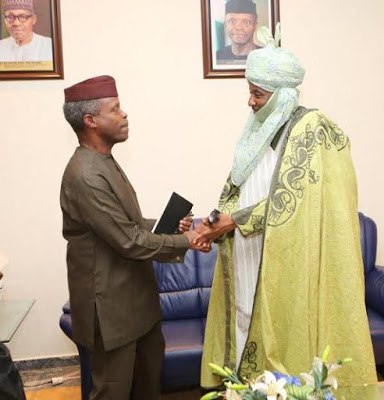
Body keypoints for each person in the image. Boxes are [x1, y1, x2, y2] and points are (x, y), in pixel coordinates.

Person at [199, 25, 377, 388]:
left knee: (284, 340)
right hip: (246, 252)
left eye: (257, 94)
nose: (250, 102)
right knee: (246, 326)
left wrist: (235, 220)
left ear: (282, 93)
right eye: (250, 92)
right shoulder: (255, 130)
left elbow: (295, 201)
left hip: (288, 259)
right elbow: (237, 184)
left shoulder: (312, 128)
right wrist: (216, 220)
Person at [60, 75, 208, 400]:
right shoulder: (84, 174)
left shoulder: (103, 161)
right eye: (115, 109)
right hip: (111, 311)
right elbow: (129, 240)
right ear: (91, 121)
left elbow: (127, 222)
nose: (124, 114)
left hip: (138, 303)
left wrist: (170, 225)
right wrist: (190, 241)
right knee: (112, 393)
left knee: (148, 390)